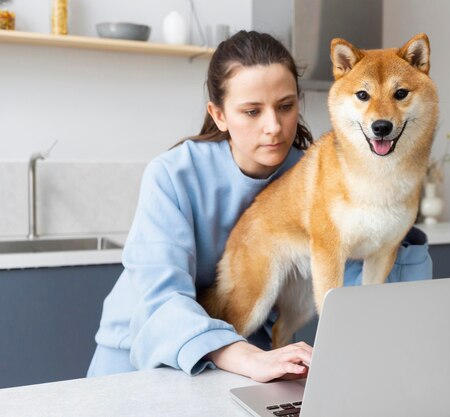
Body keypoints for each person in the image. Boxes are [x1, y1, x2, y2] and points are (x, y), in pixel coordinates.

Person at [87, 30, 432, 383]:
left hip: (250, 360)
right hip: (141, 359)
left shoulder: (311, 168)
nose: (273, 127)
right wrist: (240, 355)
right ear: (218, 115)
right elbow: (159, 301)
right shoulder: (172, 175)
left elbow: (358, 272)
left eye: (285, 107)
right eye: (252, 111)